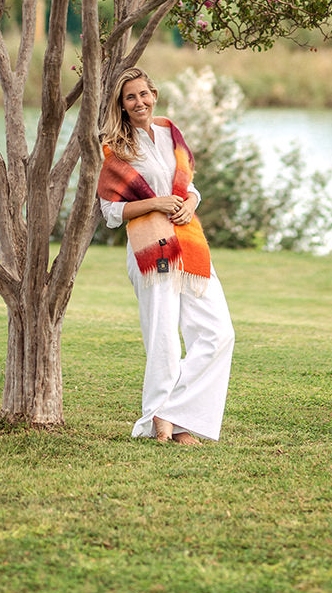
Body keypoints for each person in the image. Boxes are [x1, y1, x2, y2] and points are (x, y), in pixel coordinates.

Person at [97, 66, 235, 444]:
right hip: (150, 250)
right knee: (163, 338)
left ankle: (173, 412)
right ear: (121, 105)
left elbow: (189, 186)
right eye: (130, 97)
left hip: (189, 245)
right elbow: (110, 213)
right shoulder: (114, 147)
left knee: (218, 333)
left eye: (144, 94)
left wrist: (190, 202)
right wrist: (154, 203)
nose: (139, 102)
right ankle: (164, 424)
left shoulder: (170, 132)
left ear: (153, 94)